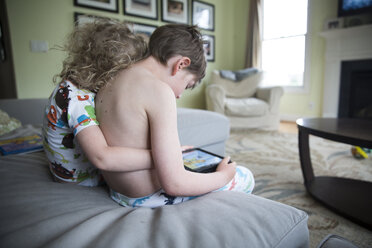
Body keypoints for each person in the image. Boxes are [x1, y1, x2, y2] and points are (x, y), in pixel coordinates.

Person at [96, 24, 255, 207]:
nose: (179, 95)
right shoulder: (159, 91)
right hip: (146, 198)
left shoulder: (111, 78)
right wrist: (223, 176)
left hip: (118, 192)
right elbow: (175, 184)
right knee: (245, 176)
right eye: (188, 84)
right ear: (181, 64)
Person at [42, 19, 154, 186]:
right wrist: (159, 157)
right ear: (111, 71)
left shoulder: (70, 86)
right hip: (78, 178)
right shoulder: (77, 100)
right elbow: (103, 158)